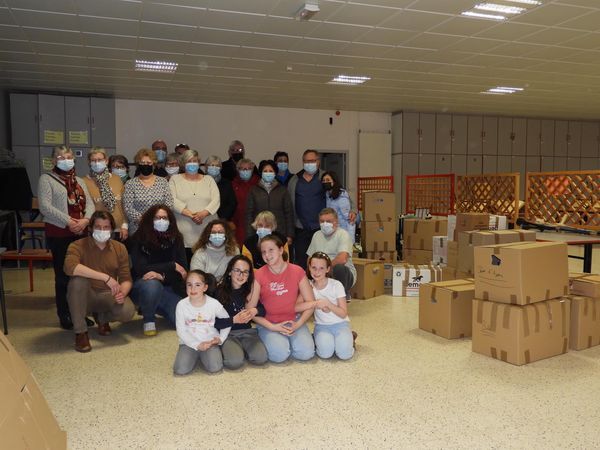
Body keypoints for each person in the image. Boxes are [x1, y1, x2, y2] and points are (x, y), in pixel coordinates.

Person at [38, 145, 95, 330]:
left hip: (81, 233)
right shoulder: (46, 179)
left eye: (69, 157)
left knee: (81, 275)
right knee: (63, 276)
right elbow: (45, 207)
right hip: (60, 233)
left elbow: (90, 204)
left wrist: (85, 220)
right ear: (54, 160)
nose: (66, 160)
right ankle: (65, 314)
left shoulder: (79, 181)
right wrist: (69, 221)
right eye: (61, 157)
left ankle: (80, 313)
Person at [63, 211, 135, 352]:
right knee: (77, 281)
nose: (102, 230)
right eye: (98, 227)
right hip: (85, 296)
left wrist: (122, 293)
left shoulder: (120, 248)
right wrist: (104, 277)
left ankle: (102, 318)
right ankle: (81, 332)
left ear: (112, 229)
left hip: (108, 294)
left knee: (128, 311)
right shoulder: (77, 245)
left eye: (106, 227)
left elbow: (126, 278)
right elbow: (69, 267)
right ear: (90, 228)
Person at [246, 235, 315, 363]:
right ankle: (270, 338)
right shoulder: (258, 275)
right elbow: (250, 310)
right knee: (279, 356)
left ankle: (307, 339)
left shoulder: (297, 271)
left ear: (281, 250)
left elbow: (311, 303)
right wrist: (273, 327)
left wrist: (298, 324)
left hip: (293, 320)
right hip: (269, 323)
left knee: (306, 353)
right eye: (263, 252)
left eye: (271, 250)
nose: (267, 255)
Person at [129, 204, 187, 336]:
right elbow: (140, 269)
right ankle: (149, 319)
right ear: (150, 219)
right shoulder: (139, 238)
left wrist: (161, 276)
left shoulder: (177, 238)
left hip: (168, 286)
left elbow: (183, 272)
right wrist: (172, 266)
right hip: (143, 286)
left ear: (170, 220)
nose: (161, 221)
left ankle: (153, 305)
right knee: (152, 284)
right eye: (157, 218)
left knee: (183, 321)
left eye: (164, 218)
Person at [213, 255, 268, 369]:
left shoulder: (251, 291)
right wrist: (233, 320)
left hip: (248, 332)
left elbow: (263, 310)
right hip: (227, 333)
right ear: (229, 272)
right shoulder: (219, 292)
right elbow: (213, 322)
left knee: (261, 358)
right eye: (237, 270)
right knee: (234, 363)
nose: (241, 275)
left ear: (249, 276)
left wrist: (255, 310)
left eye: (245, 272)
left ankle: (241, 350)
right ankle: (233, 350)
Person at [173, 270, 231, 375]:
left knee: (215, 367)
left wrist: (221, 338)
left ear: (205, 287)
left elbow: (227, 321)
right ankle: (195, 355)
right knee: (180, 369)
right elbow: (181, 331)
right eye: (189, 285)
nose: (193, 289)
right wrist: (197, 345)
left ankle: (205, 356)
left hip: (209, 342)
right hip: (188, 343)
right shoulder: (181, 305)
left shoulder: (214, 303)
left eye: (197, 285)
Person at [169, 149, 220, 260]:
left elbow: (216, 200)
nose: (192, 163)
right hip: (184, 233)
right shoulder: (174, 179)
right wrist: (191, 215)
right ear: (183, 163)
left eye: (195, 161)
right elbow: (171, 200)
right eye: (189, 161)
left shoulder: (209, 179)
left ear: (199, 162)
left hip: (206, 231)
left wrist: (203, 214)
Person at [305, 252, 354, 360]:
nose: (317, 272)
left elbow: (343, 313)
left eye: (321, 268)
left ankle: (349, 338)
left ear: (327, 269)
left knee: (345, 354)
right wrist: (315, 304)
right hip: (322, 326)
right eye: (314, 268)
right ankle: (318, 338)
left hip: (341, 324)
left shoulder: (336, 285)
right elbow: (297, 306)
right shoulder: (308, 286)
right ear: (309, 268)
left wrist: (328, 304)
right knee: (325, 354)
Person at [306, 208, 356, 300]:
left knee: (339, 269)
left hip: (339, 271)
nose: (325, 224)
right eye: (322, 221)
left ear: (336, 222)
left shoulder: (343, 234)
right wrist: (314, 269)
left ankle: (343, 294)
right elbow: (310, 258)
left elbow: (342, 259)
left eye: (328, 221)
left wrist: (324, 269)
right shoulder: (316, 235)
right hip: (320, 271)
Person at [288, 149, 325, 269]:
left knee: (320, 262)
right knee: (301, 263)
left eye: (312, 161)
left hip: (320, 229)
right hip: (301, 230)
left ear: (318, 161)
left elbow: (339, 194)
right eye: (306, 161)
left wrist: (353, 210)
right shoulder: (295, 180)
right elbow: (288, 205)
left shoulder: (325, 177)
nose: (309, 163)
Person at [123, 148, 174, 235]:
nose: (145, 165)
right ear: (138, 164)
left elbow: (169, 204)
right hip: (138, 229)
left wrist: (157, 219)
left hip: (160, 227)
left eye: (149, 163)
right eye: (142, 163)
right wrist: (146, 221)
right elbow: (128, 208)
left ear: (154, 164)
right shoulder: (130, 184)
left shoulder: (163, 182)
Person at [83, 147, 128, 241]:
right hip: (97, 230)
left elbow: (123, 205)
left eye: (100, 160)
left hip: (118, 229)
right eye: (93, 160)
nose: (97, 163)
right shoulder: (84, 182)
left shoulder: (117, 179)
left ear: (106, 161)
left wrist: (124, 225)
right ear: (89, 162)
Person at [246, 159, 294, 246]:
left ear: (275, 173)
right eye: (265, 171)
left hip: (279, 232)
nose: (268, 173)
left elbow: (289, 213)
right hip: (259, 232)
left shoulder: (283, 190)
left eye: (271, 171)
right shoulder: (253, 190)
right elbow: (249, 214)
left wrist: (290, 235)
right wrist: (250, 235)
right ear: (261, 173)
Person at [321, 171, 356, 244]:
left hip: (343, 233)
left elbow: (349, 220)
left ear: (334, 181)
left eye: (328, 180)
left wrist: (350, 241)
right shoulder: (327, 194)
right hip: (333, 232)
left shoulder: (341, 196)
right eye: (323, 180)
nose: (325, 182)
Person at [231, 158, 259, 246]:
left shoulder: (258, 183)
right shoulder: (233, 184)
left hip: (256, 222)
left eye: (248, 169)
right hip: (238, 223)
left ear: (252, 170)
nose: (245, 171)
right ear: (238, 170)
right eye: (242, 169)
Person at [205, 155, 237, 222]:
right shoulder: (200, 182)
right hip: (204, 218)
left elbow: (232, 203)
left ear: (221, 168)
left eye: (217, 166)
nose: (214, 167)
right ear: (206, 167)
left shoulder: (227, 183)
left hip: (222, 219)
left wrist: (222, 218)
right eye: (212, 165)